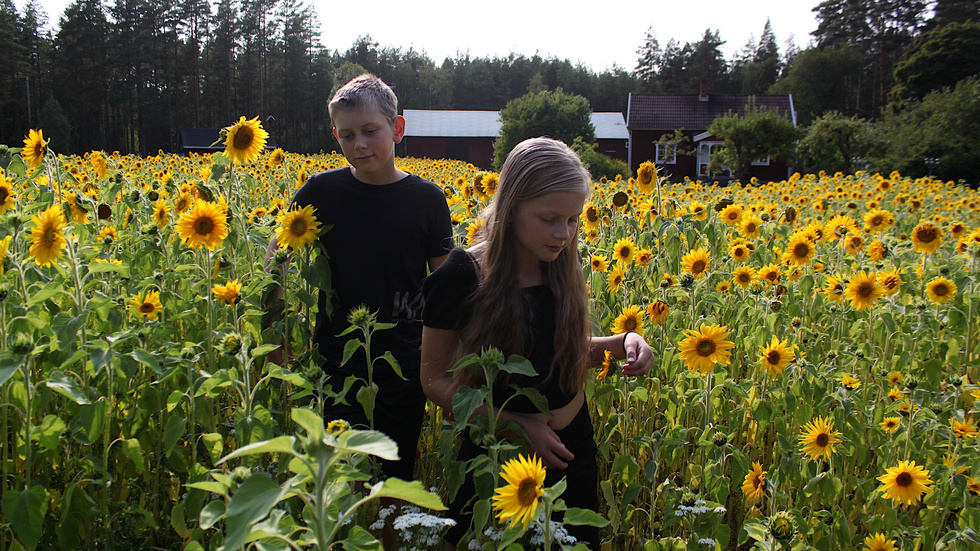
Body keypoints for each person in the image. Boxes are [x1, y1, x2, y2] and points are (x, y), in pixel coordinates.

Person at [420, 137, 653, 548]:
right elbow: (435, 380)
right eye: (549, 218)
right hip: (497, 453)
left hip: (571, 448)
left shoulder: (560, 265)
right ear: (511, 210)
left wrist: (622, 342)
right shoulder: (462, 275)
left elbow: (561, 348)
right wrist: (516, 425)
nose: (564, 233)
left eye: (573, 219)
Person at [265, 73, 453, 481]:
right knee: (338, 474)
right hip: (336, 357)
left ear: (397, 128)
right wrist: (276, 335)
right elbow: (277, 254)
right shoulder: (321, 192)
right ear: (336, 135)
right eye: (347, 135)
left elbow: (444, 284)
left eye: (370, 131)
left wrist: (448, 363)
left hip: (405, 360)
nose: (359, 145)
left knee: (395, 475)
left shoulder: (427, 199)